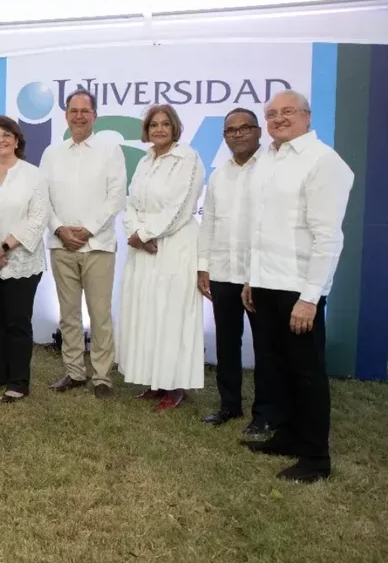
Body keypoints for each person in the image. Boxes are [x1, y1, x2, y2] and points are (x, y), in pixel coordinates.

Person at [241, 91, 353, 483]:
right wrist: (252, 280)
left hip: (298, 289)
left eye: (287, 112)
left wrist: (310, 297)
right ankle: (288, 436)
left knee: (307, 373)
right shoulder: (269, 159)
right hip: (267, 283)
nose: (278, 119)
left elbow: (328, 238)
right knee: (278, 368)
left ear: (306, 116)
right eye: (271, 114)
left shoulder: (323, 161)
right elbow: (260, 227)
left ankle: (316, 459)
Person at [197, 107, 279, 436]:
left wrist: (258, 272)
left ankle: (264, 414)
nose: (238, 134)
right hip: (223, 273)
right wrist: (203, 266)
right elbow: (209, 224)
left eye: (245, 128)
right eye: (231, 130)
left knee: (265, 347)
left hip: (259, 275)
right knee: (227, 343)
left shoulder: (273, 170)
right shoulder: (218, 175)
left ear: (259, 132)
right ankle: (229, 405)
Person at [39, 90, 126, 398]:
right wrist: (60, 229)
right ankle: (74, 372)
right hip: (61, 246)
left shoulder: (110, 150)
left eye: (84, 111)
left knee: (100, 313)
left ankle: (102, 376)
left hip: (98, 245)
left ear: (94, 116)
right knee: (68, 314)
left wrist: (87, 230)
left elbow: (115, 196)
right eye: (73, 111)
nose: (78, 116)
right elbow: (43, 199)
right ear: (65, 115)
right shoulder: (52, 154)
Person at [119, 104, 206, 411]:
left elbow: (182, 206)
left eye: (165, 124)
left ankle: (176, 386)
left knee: (172, 316)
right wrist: (136, 233)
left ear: (175, 128)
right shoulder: (145, 161)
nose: (158, 129)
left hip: (175, 246)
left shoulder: (188, 158)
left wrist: (144, 235)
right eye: (153, 124)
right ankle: (156, 381)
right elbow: (131, 202)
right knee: (149, 314)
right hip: (145, 249)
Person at [0, 116, 48, 403]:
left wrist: (4, 246)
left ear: (17, 140)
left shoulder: (33, 174)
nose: (1, 140)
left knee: (17, 321)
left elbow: (39, 217)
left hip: (22, 261)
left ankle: (18, 382)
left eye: (7, 135)